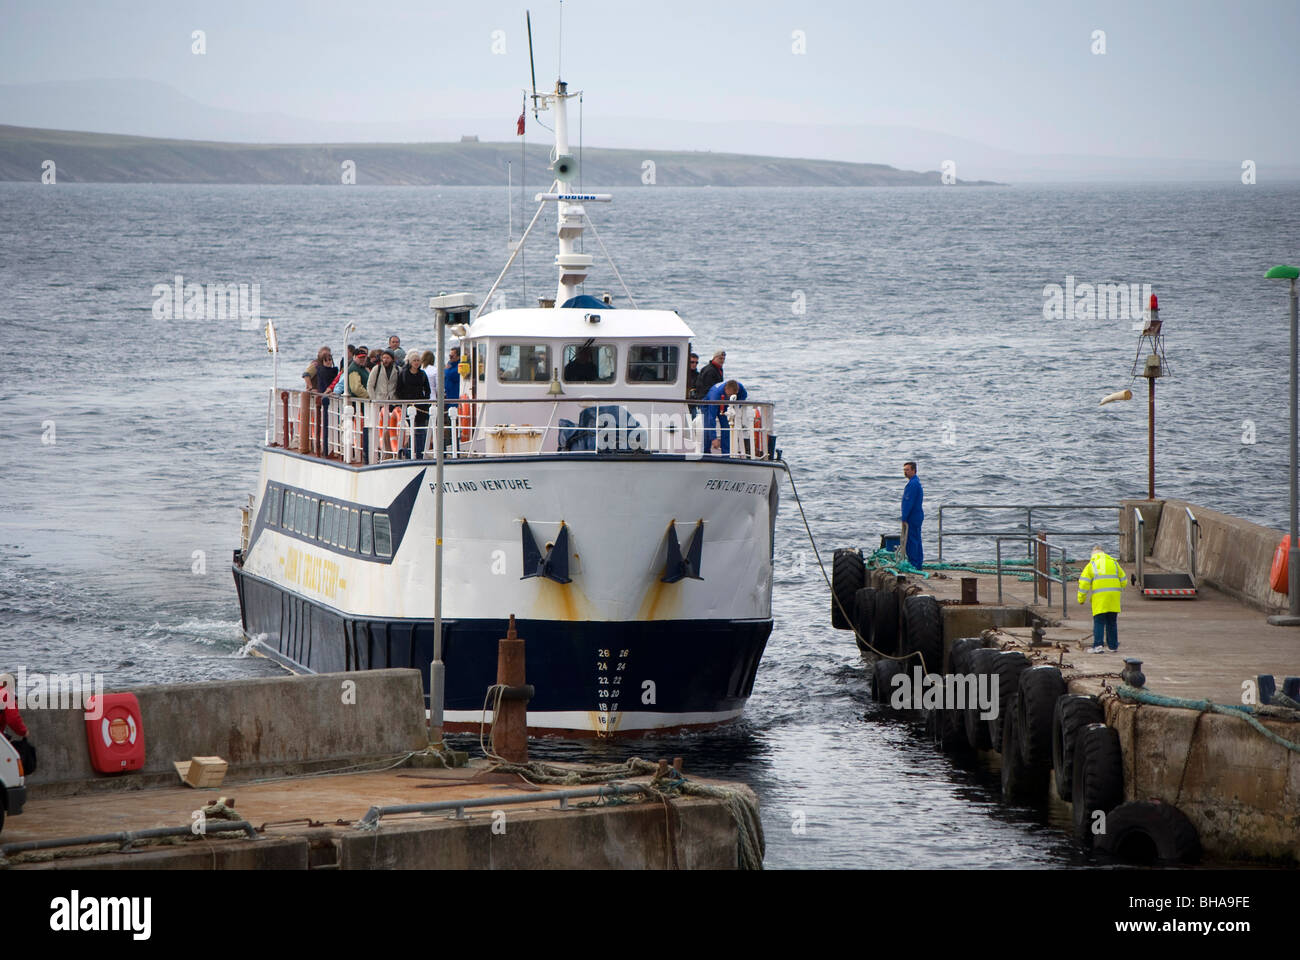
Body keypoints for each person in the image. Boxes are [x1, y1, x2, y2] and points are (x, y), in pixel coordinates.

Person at [1078, 546, 1126, 653]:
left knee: (1099, 622)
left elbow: (1084, 584)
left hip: (1100, 598)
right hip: (1114, 597)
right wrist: (1119, 589)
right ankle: (1113, 646)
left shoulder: (1092, 565)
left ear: (1093, 555)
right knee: (1112, 622)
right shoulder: (1114, 563)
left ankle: (1098, 646)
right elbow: (1124, 580)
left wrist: (1081, 598)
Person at [301, 346, 338, 455]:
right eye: (325, 357)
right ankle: (318, 444)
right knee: (319, 419)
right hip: (318, 395)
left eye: (329, 357)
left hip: (326, 396)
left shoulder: (332, 369)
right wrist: (311, 387)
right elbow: (306, 374)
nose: (328, 360)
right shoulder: (316, 365)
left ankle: (328, 445)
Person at [396, 351, 431, 458]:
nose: (416, 363)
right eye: (414, 360)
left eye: (418, 360)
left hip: (421, 406)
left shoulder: (422, 374)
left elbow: (427, 389)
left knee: (421, 430)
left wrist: (425, 401)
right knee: (410, 430)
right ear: (410, 362)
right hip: (408, 405)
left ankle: (420, 453)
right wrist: (404, 401)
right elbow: (399, 389)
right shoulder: (404, 373)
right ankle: (410, 452)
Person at [368, 349, 401, 455]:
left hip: (393, 402)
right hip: (380, 402)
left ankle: (393, 450)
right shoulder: (376, 369)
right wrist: (374, 400)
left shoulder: (398, 370)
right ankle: (381, 450)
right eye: (384, 357)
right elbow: (370, 385)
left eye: (387, 358)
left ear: (392, 359)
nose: (385, 360)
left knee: (392, 428)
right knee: (380, 427)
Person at [702, 378, 747, 455]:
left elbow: (744, 395)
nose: (730, 396)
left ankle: (726, 453)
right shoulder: (715, 395)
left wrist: (736, 406)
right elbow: (711, 418)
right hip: (708, 404)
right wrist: (714, 438)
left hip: (726, 404)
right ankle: (706, 452)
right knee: (707, 427)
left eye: (733, 395)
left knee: (726, 427)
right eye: (729, 394)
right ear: (726, 389)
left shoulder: (740, 387)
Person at [346, 346, 371, 461]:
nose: (362, 359)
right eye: (360, 357)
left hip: (364, 405)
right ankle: (360, 453)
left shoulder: (363, 368)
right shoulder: (353, 369)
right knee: (360, 428)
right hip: (360, 406)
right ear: (355, 357)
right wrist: (370, 397)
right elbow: (356, 388)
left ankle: (366, 451)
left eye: (364, 357)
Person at [900, 461, 924, 569]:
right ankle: (918, 563)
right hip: (917, 515)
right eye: (904, 470)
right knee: (916, 539)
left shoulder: (912, 484)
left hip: (912, 516)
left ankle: (914, 564)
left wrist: (904, 517)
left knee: (912, 540)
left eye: (907, 470)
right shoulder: (916, 482)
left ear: (914, 470)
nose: (905, 472)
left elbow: (908, 502)